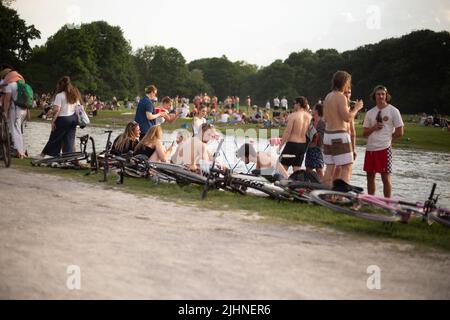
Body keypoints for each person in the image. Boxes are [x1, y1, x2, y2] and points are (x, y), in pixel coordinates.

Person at [322, 71, 363, 186]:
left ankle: (325, 194)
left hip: (327, 135)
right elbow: (347, 118)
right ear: (345, 82)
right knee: (347, 166)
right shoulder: (341, 97)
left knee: (329, 167)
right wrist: (356, 108)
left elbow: (325, 118)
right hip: (339, 135)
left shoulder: (328, 96)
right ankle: (342, 195)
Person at [362, 85, 404, 198]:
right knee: (370, 177)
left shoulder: (393, 111)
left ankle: (387, 203)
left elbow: (400, 132)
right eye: (378, 94)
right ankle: (371, 200)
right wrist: (374, 127)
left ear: (386, 96)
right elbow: (364, 134)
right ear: (374, 96)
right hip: (370, 148)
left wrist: (388, 139)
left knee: (385, 177)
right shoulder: (370, 113)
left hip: (384, 148)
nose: (380, 96)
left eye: (383, 94)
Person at [39, 76, 83, 157]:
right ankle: (68, 157)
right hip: (73, 119)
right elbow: (78, 107)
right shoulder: (74, 94)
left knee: (54, 138)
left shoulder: (60, 95)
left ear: (61, 85)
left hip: (63, 119)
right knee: (69, 139)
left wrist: (52, 121)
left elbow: (57, 110)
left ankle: (42, 155)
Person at [0, 66, 28, 158]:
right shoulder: (22, 84)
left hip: (15, 110)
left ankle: (19, 151)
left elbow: (7, 100)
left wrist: (4, 111)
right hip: (23, 110)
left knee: (15, 130)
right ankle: (20, 150)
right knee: (18, 130)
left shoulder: (10, 85)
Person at [279, 96, 312, 173]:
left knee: (282, 168)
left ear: (298, 104)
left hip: (292, 144)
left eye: (294, 103)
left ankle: (281, 183)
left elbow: (287, 132)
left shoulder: (293, 116)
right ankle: (297, 184)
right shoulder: (309, 117)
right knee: (296, 169)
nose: (293, 105)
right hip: (303, 146)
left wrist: (280, 146)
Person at [305, 103, 325, 180]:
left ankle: (323, 185)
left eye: (313, 109)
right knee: (308, 169)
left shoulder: (322, 123)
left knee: (319, 169)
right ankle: (308, 185)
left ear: (317, 110)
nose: (312, 110)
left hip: (318, 148)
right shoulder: (311, 122)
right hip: (309, 148)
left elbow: (321, 137)